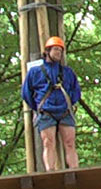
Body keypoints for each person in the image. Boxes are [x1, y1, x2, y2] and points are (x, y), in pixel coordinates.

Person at [21, 36, 82, 171]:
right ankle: (50, 171)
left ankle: (75, 171)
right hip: (46, 111)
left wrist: (68, 102)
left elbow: (76, 91)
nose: (58, 53)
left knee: (70, 143)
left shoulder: (67, 72)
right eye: (55, 49)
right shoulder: (35, 72)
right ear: (47, 51)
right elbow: (26, 93)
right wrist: (38, 107)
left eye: (60, 50)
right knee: (48, 143)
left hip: (64, 111)